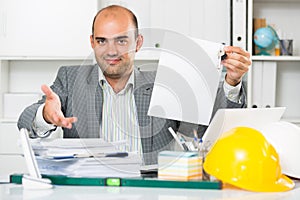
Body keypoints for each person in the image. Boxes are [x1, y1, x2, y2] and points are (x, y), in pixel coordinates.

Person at [17, 5, 251, 165]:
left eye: (121, 40)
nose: (111, 51)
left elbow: (208, 131)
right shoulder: (70, 79)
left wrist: (231, 82)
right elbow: (25, 124)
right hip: (88, 191)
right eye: (102, 41)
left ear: (138, 42)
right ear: (92, 42)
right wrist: (46, 115)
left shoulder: (164, 80)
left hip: (151, 191)